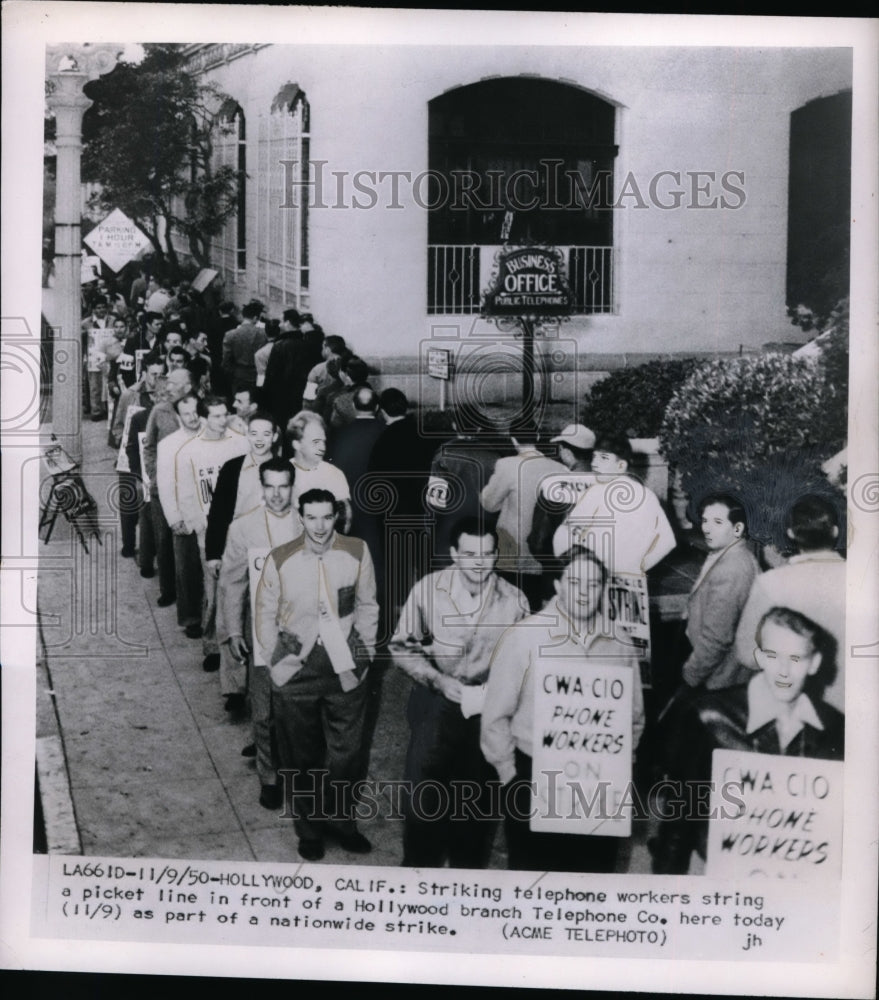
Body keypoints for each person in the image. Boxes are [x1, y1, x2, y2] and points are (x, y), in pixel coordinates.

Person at [480, 546, 645, 872]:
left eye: (594, 584)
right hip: (533, 775)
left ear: (604, 588)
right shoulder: (523, 638)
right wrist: (510, 776)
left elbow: (634, 718)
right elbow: (494, 718)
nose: (584, 593)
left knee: (592, 879)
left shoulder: (621, 643)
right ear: (558, 585)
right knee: (533, 881)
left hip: (599, 781)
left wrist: (620, 768)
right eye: (574, 582)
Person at [650, 606, 844, 875]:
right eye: (773, 656)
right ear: (759, 657)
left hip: (791, 880)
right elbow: (679, 821)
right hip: (715, 872)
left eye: (796, 658)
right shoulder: (710, 717)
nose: (784, 671)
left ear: (815, 663)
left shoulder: (833, 728)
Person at [390, 518, 527, 868]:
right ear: (454, 554)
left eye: (486, 554)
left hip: (487, 712)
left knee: (477, 802)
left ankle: (467, 875)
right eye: (469, 554)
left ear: (497, 555)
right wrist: (436, 679)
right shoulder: (428, 589)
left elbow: (526, 663)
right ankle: (417, 871)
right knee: (423, 797)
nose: (478, 563)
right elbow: (401, 646)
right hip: (436, 702)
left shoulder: (514, 601)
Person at [255, 488, 379, 861]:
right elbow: (264, 613)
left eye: (327, 516)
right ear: (300, 516)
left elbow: (367, 603)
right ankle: (309, 830)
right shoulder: (281, 558)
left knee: (348, 755)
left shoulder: (357, 551)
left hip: (346, 670)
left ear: (336, 515)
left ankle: (342, 821)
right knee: (301, 757)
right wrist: (276, 665)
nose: (320, 526)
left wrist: (367, 651)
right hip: (297, 671)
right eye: (312, 517)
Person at [218, 459, 303, 807]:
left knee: (299, 711)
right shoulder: (243, 529)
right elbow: (233, 583)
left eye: (284, 486)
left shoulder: (310, 522)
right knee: (264, 711)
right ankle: (269, 778)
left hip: (303, 634)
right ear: (261, 486)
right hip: (262, 632)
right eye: (270, 486)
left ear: (292, 486)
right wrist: (234, 631)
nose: (277, 494)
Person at [734, 494, 846, 712]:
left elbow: (747, 653)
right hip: (854, 707)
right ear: (835, 531)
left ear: (791, 533)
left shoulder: (771, 584)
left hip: (793, 705)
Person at [175, 397, 249, 671]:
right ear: (205, 418)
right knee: (214, 590)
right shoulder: (190, 452)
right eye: (215, 416)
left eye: (224, 415)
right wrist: (200, 527)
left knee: (237, 587)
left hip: (239, 528)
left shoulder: (240, 443)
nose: (221, 420)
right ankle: (212, 646)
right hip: (209, 530)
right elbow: (186, 494)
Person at [480, 427, 568, 609]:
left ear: (513, 440)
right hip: (546, 550)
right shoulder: (560, 468)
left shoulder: (506, 465)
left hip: (511, 547)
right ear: (536, 436)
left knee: (508, 607)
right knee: (537, 606)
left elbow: (489, 504)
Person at [681, 493, 761, 691]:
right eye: (705, 521)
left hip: (721, 677)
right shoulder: (733, 555)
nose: (706, 528)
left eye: (717, 522)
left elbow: (717, 639)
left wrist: (689, 677)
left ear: (737, 528)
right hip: (719, 670)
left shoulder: (732, 569)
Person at [141, 367, 196, 606]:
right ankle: (168, 589)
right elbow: (149, 446)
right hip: (162, 488)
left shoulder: (197, 411)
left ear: (187, 387)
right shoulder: (159, 411)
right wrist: (154, 476)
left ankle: (189, 594)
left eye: (173, 383)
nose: (168, 386)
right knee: (163, 540)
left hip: (191, 489)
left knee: (186, 546)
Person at [157, 393, 205, 638]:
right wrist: (174, 517)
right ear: (177, 417)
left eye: (196, 411)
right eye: (187, 414)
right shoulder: (168, 445)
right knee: (187, 570)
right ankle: (191, 619)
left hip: (211, 515)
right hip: (185, 515)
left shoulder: (214, 434)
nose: (193, 417)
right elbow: (165, 483)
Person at [287, 411, 352, 533]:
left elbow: (345, 520)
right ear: (297, 444)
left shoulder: (334, 474)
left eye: (323, 441)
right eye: (316, 442)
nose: (322, 447)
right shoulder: (282, 474)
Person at [262, 308, 310, 431]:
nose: (281, 325)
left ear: (288, 322)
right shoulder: (306, 344)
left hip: (280, 396)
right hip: (300, 395)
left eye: (282, 322)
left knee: (281, 427)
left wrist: (265, 398)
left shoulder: (279, 345)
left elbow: (271, 374)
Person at [222, 300, 266, 394]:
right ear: (255, 318)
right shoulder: (263, 334)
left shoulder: (230, 335)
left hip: (239, 374)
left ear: (243, 316)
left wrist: (231, 372)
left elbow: (226, 359)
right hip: (257, 374)